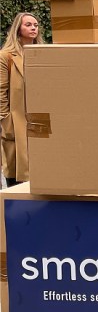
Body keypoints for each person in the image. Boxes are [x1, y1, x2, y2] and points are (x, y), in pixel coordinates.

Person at [1, 12, 43, 187]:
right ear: (18, 29)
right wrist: (5, 120)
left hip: (40, 119)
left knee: (42, 164)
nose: (33, 28)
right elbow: (1, 90)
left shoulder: (43, 54)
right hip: (17, 120)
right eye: (28, 25)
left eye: (36, 25)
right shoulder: (6, 56)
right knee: (17, 169)